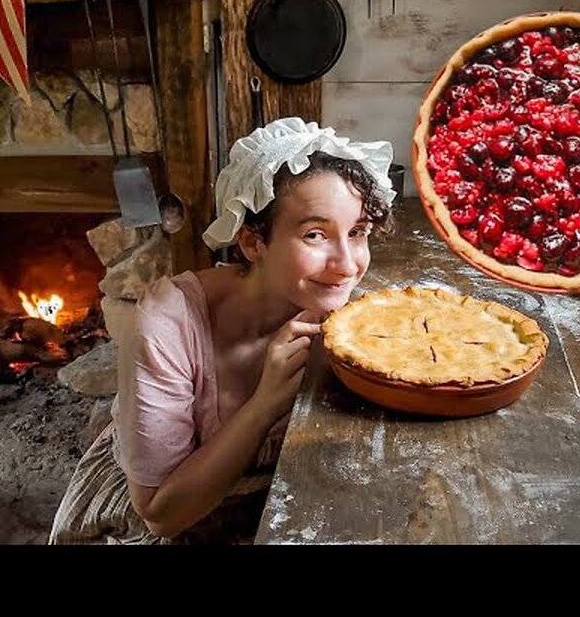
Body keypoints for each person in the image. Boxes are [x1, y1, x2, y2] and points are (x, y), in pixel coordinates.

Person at [49, 117, 396, 544]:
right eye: (315, 234)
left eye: (358, 232)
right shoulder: (167, 324)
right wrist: (265, 404)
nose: (347, 265)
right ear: (253, 243)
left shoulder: (344, 312)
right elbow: (160, 514)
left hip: (269, 503)